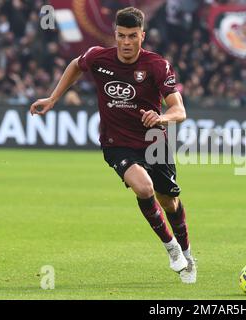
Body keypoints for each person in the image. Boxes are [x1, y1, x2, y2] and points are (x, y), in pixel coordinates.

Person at [29, 7, 196, 284]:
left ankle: (188, 252)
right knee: (143, 188)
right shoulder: (98, 57)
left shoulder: (157, 65)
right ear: (114, 35)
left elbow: (179, 110)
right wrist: (54, 98)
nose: (126, 42)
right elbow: (75, 65)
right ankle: (172, 249)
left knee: (170, 202)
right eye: (121, 36)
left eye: (132, 36)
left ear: (142, 36)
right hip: (116, 142)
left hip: (155, 142)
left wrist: (162, 117)